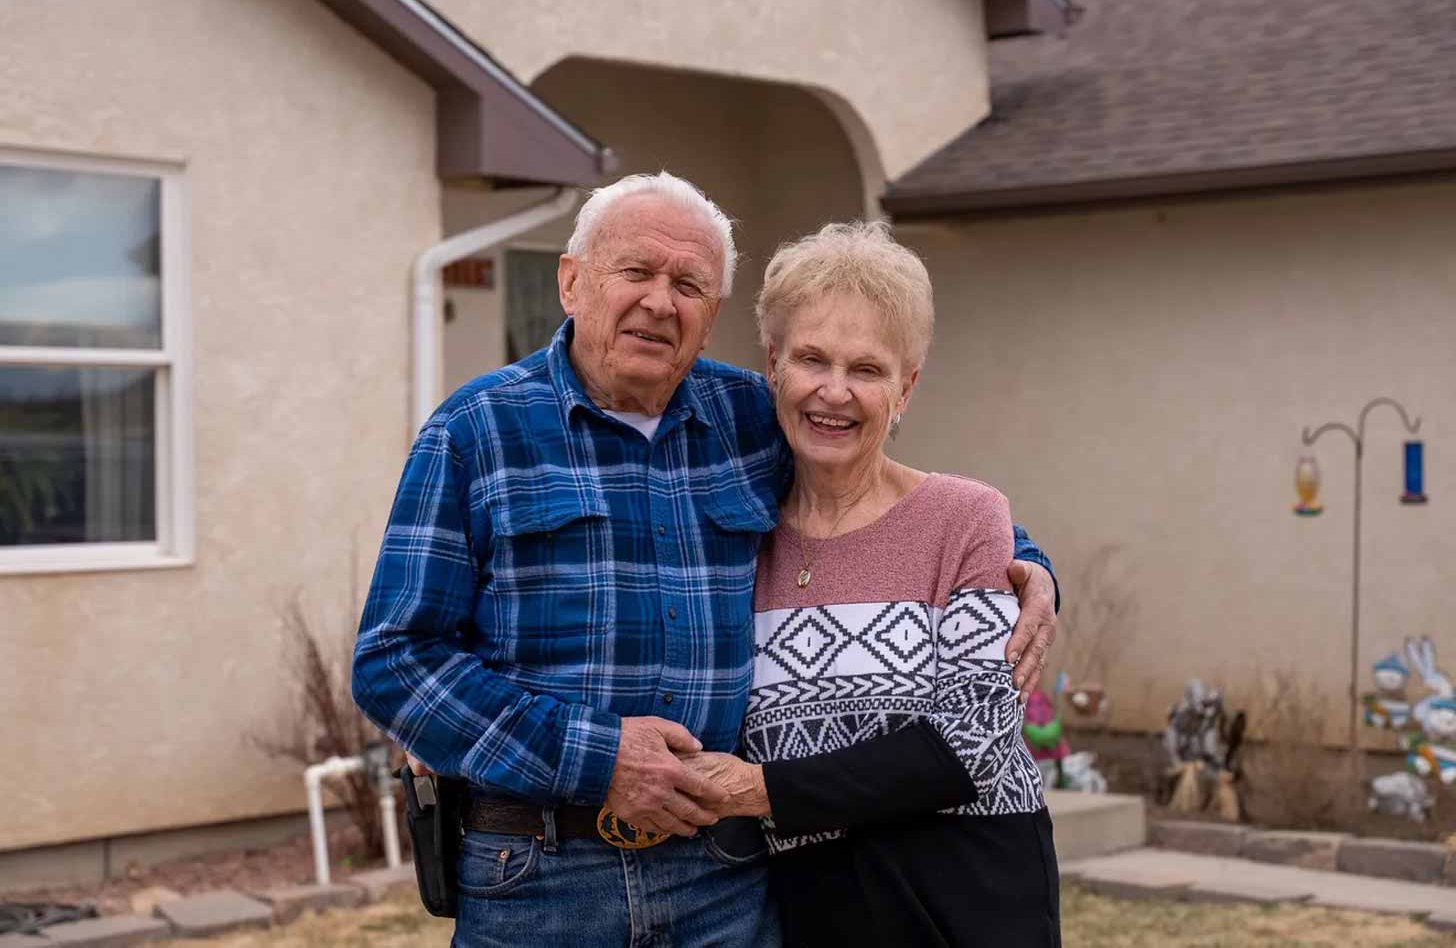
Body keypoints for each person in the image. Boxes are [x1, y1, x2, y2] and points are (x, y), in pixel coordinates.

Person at [352, 172, 1060, 947]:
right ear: (571, 281)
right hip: (539, 874)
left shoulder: (750, 418)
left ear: (712, 312)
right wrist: (600, 757)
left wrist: (1028, 568)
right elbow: (395, 659)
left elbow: (892, 501)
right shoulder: (477, 431)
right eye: (635, 272)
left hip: (720, 875)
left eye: (689, 282)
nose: (661, 301)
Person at [681, 222, 1060, 946]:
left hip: (970, 900)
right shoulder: (738, 542)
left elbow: (971, 741)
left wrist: (761, 792)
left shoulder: (966, 517)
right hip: (813, 905)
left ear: (906, 388)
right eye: (812, 359)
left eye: (867, 369)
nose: (834, 391)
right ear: (772, 365)